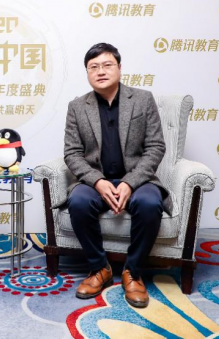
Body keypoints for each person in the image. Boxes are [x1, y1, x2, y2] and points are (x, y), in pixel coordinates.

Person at [64, 43, 168, 308]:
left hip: (138, 179)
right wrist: (97, 181)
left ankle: (133, 272)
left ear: (119, 68)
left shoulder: (142, 99)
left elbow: (156, 147)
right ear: (87, 73)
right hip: (95, 180)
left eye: (107, 65)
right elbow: (72, 153)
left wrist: (130, 182)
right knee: (78, 201)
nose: (100, 71)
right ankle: (100, 268)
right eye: (93, 67)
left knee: (149, 203)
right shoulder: (77, 107)